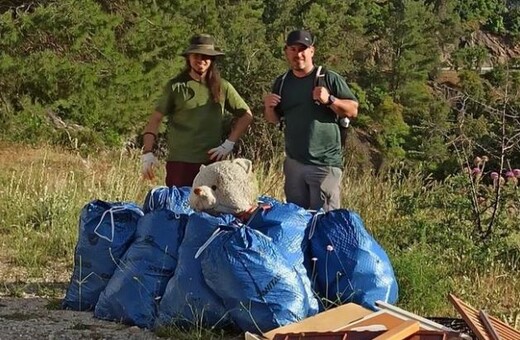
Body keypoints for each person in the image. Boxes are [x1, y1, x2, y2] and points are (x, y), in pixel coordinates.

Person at [263, 30, 358, 211]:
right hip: (294, 164)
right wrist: (268, 107)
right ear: (286, 52)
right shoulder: (282, 82)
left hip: (324, 164)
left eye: (303, 49)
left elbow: (353, 110)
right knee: (296, 221)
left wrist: (330, 100)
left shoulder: (328, 78)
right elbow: (274, 120)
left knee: (324, 222)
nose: (298, 54)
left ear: (312, 51)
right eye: (293, 49)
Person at [141, 34, 253, 187]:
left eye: (206, 56)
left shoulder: (222, 87)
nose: (201, 60)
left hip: (211, 163)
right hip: (180, 163)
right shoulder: (176, 86)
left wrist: (228, 143)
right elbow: (155, 119)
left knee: (209, 208)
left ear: (212, 59)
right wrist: (147, 153)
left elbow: (246, 115)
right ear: (189, 58)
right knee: (179, 208)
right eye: (196, 56)